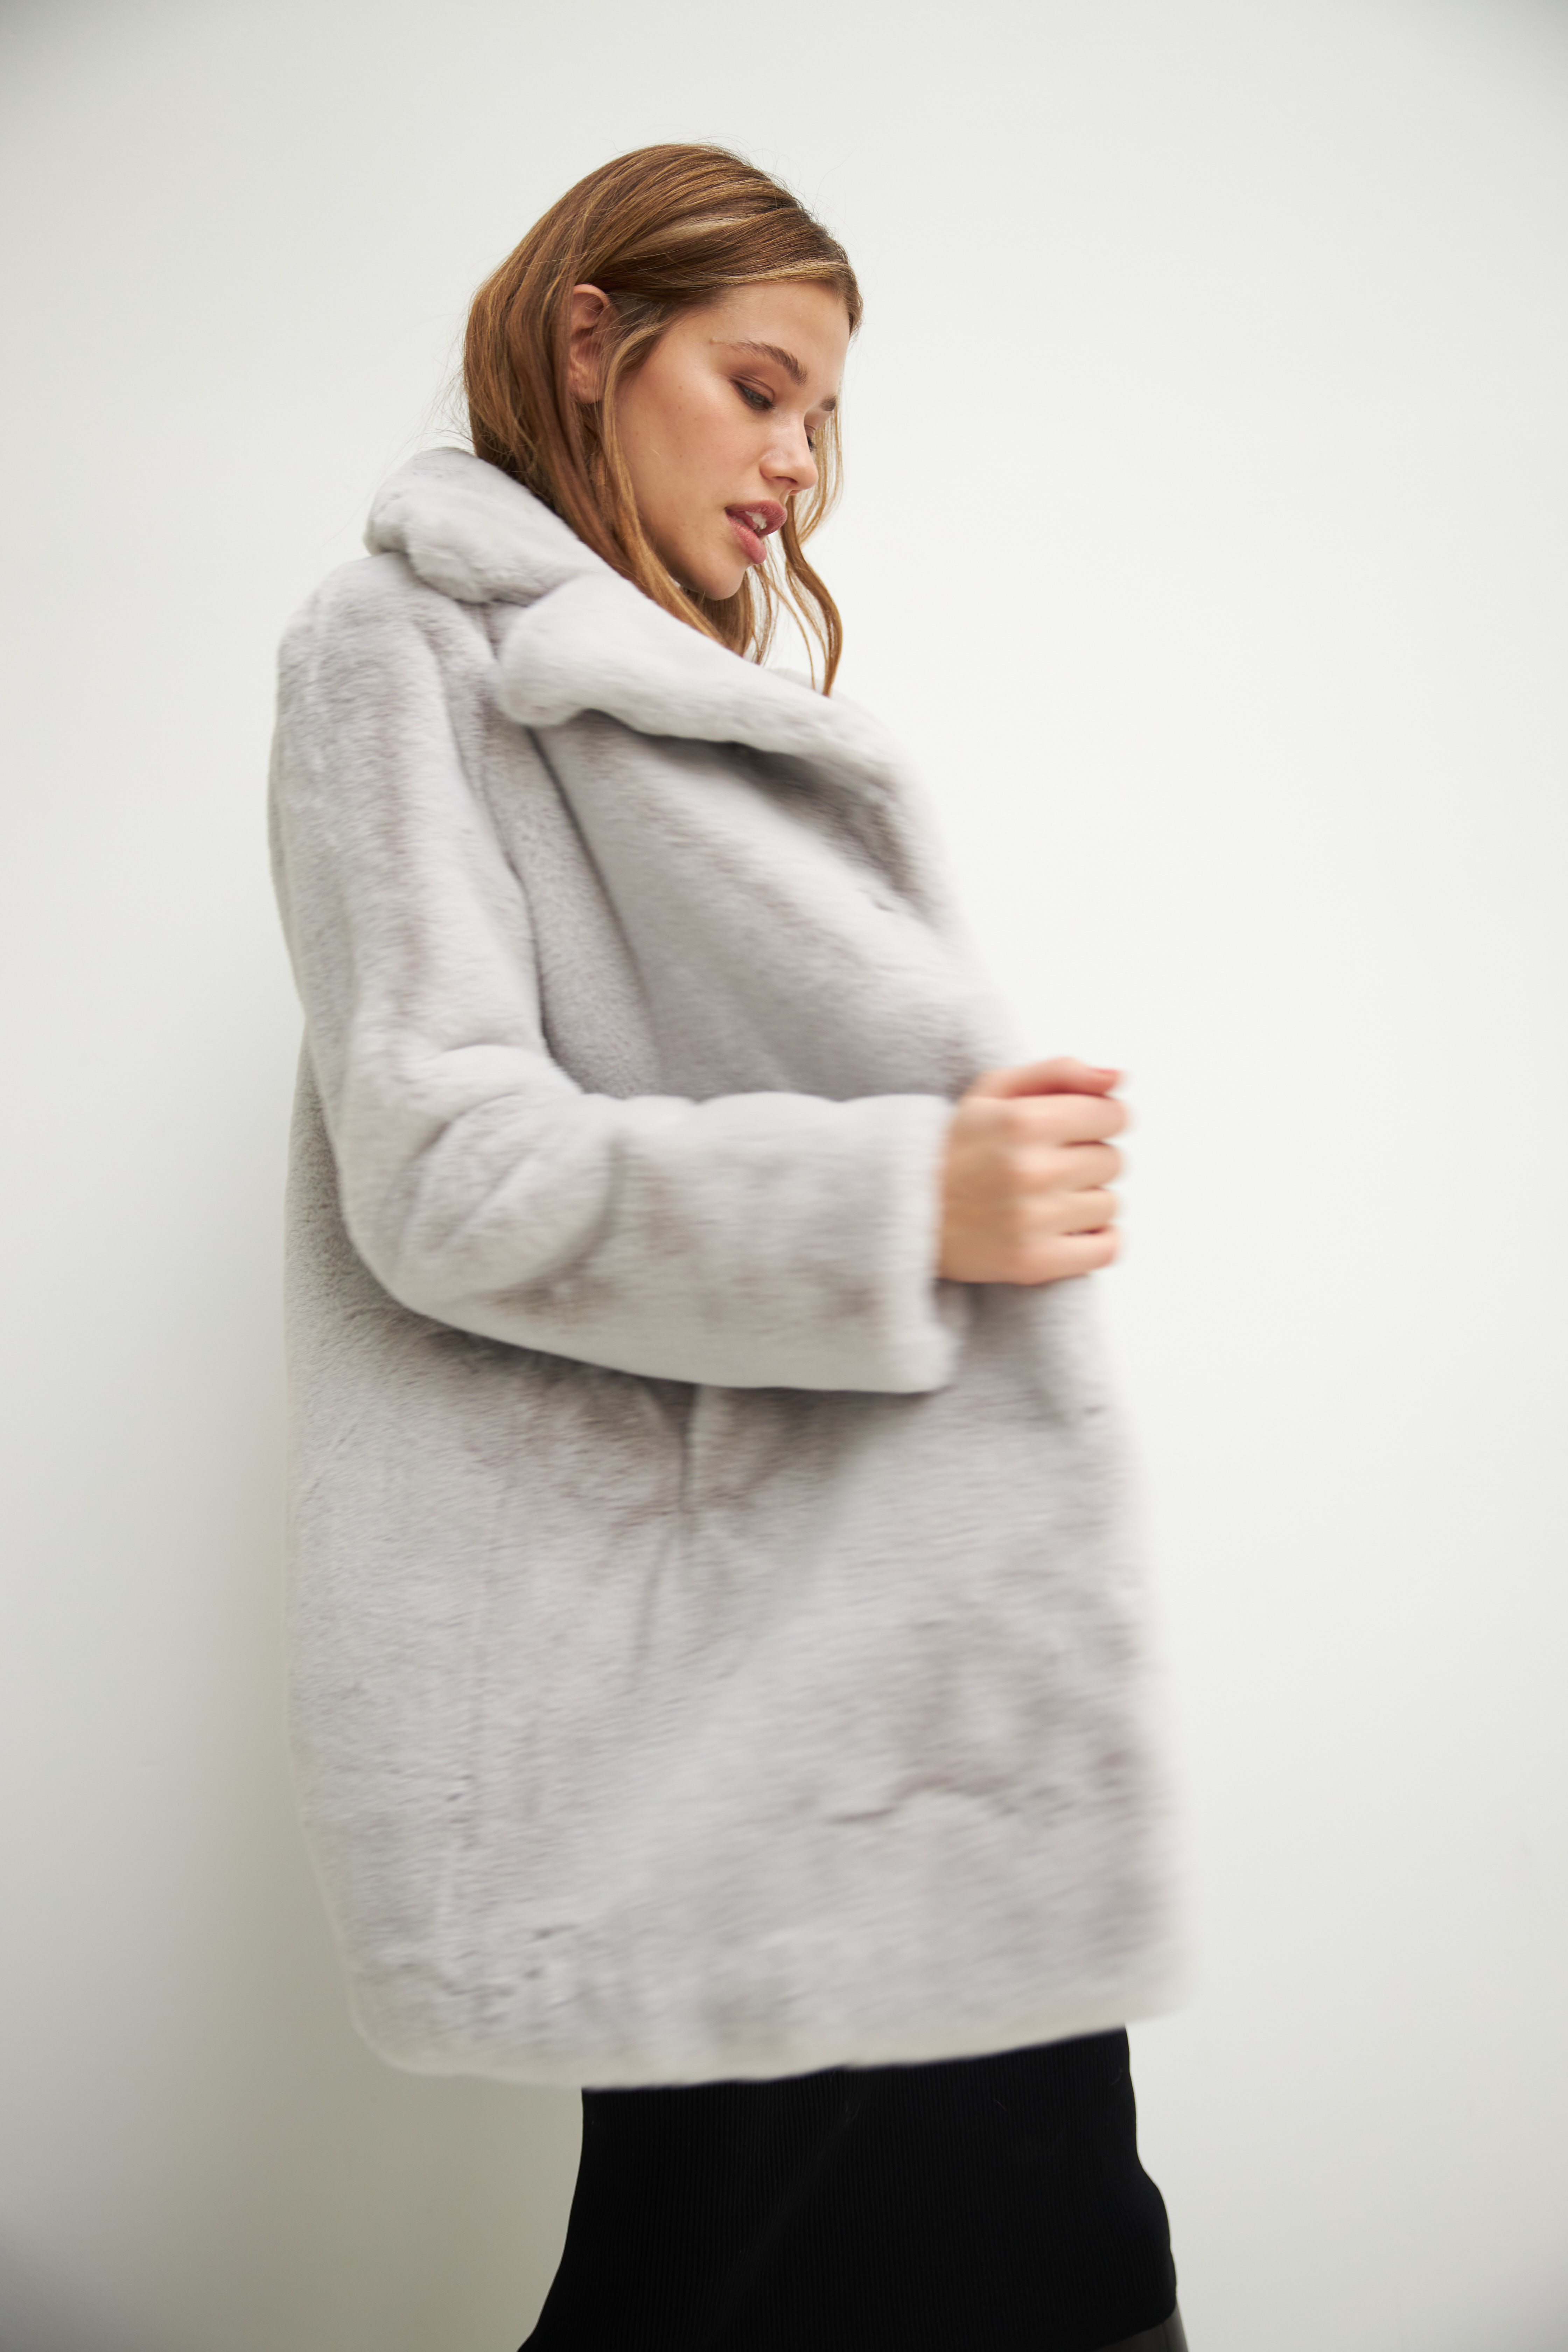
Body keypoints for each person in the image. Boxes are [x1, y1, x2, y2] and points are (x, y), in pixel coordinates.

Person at [269, 144, 1188, 2351]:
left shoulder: (657, 683)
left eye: (824, 417)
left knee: (974, 2261)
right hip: (720, 1703)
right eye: (760, 388)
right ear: (594, 342)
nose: (799, 463)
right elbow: (443, 1171)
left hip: (864, 1682)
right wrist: (907, 1200)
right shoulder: (400, 648)